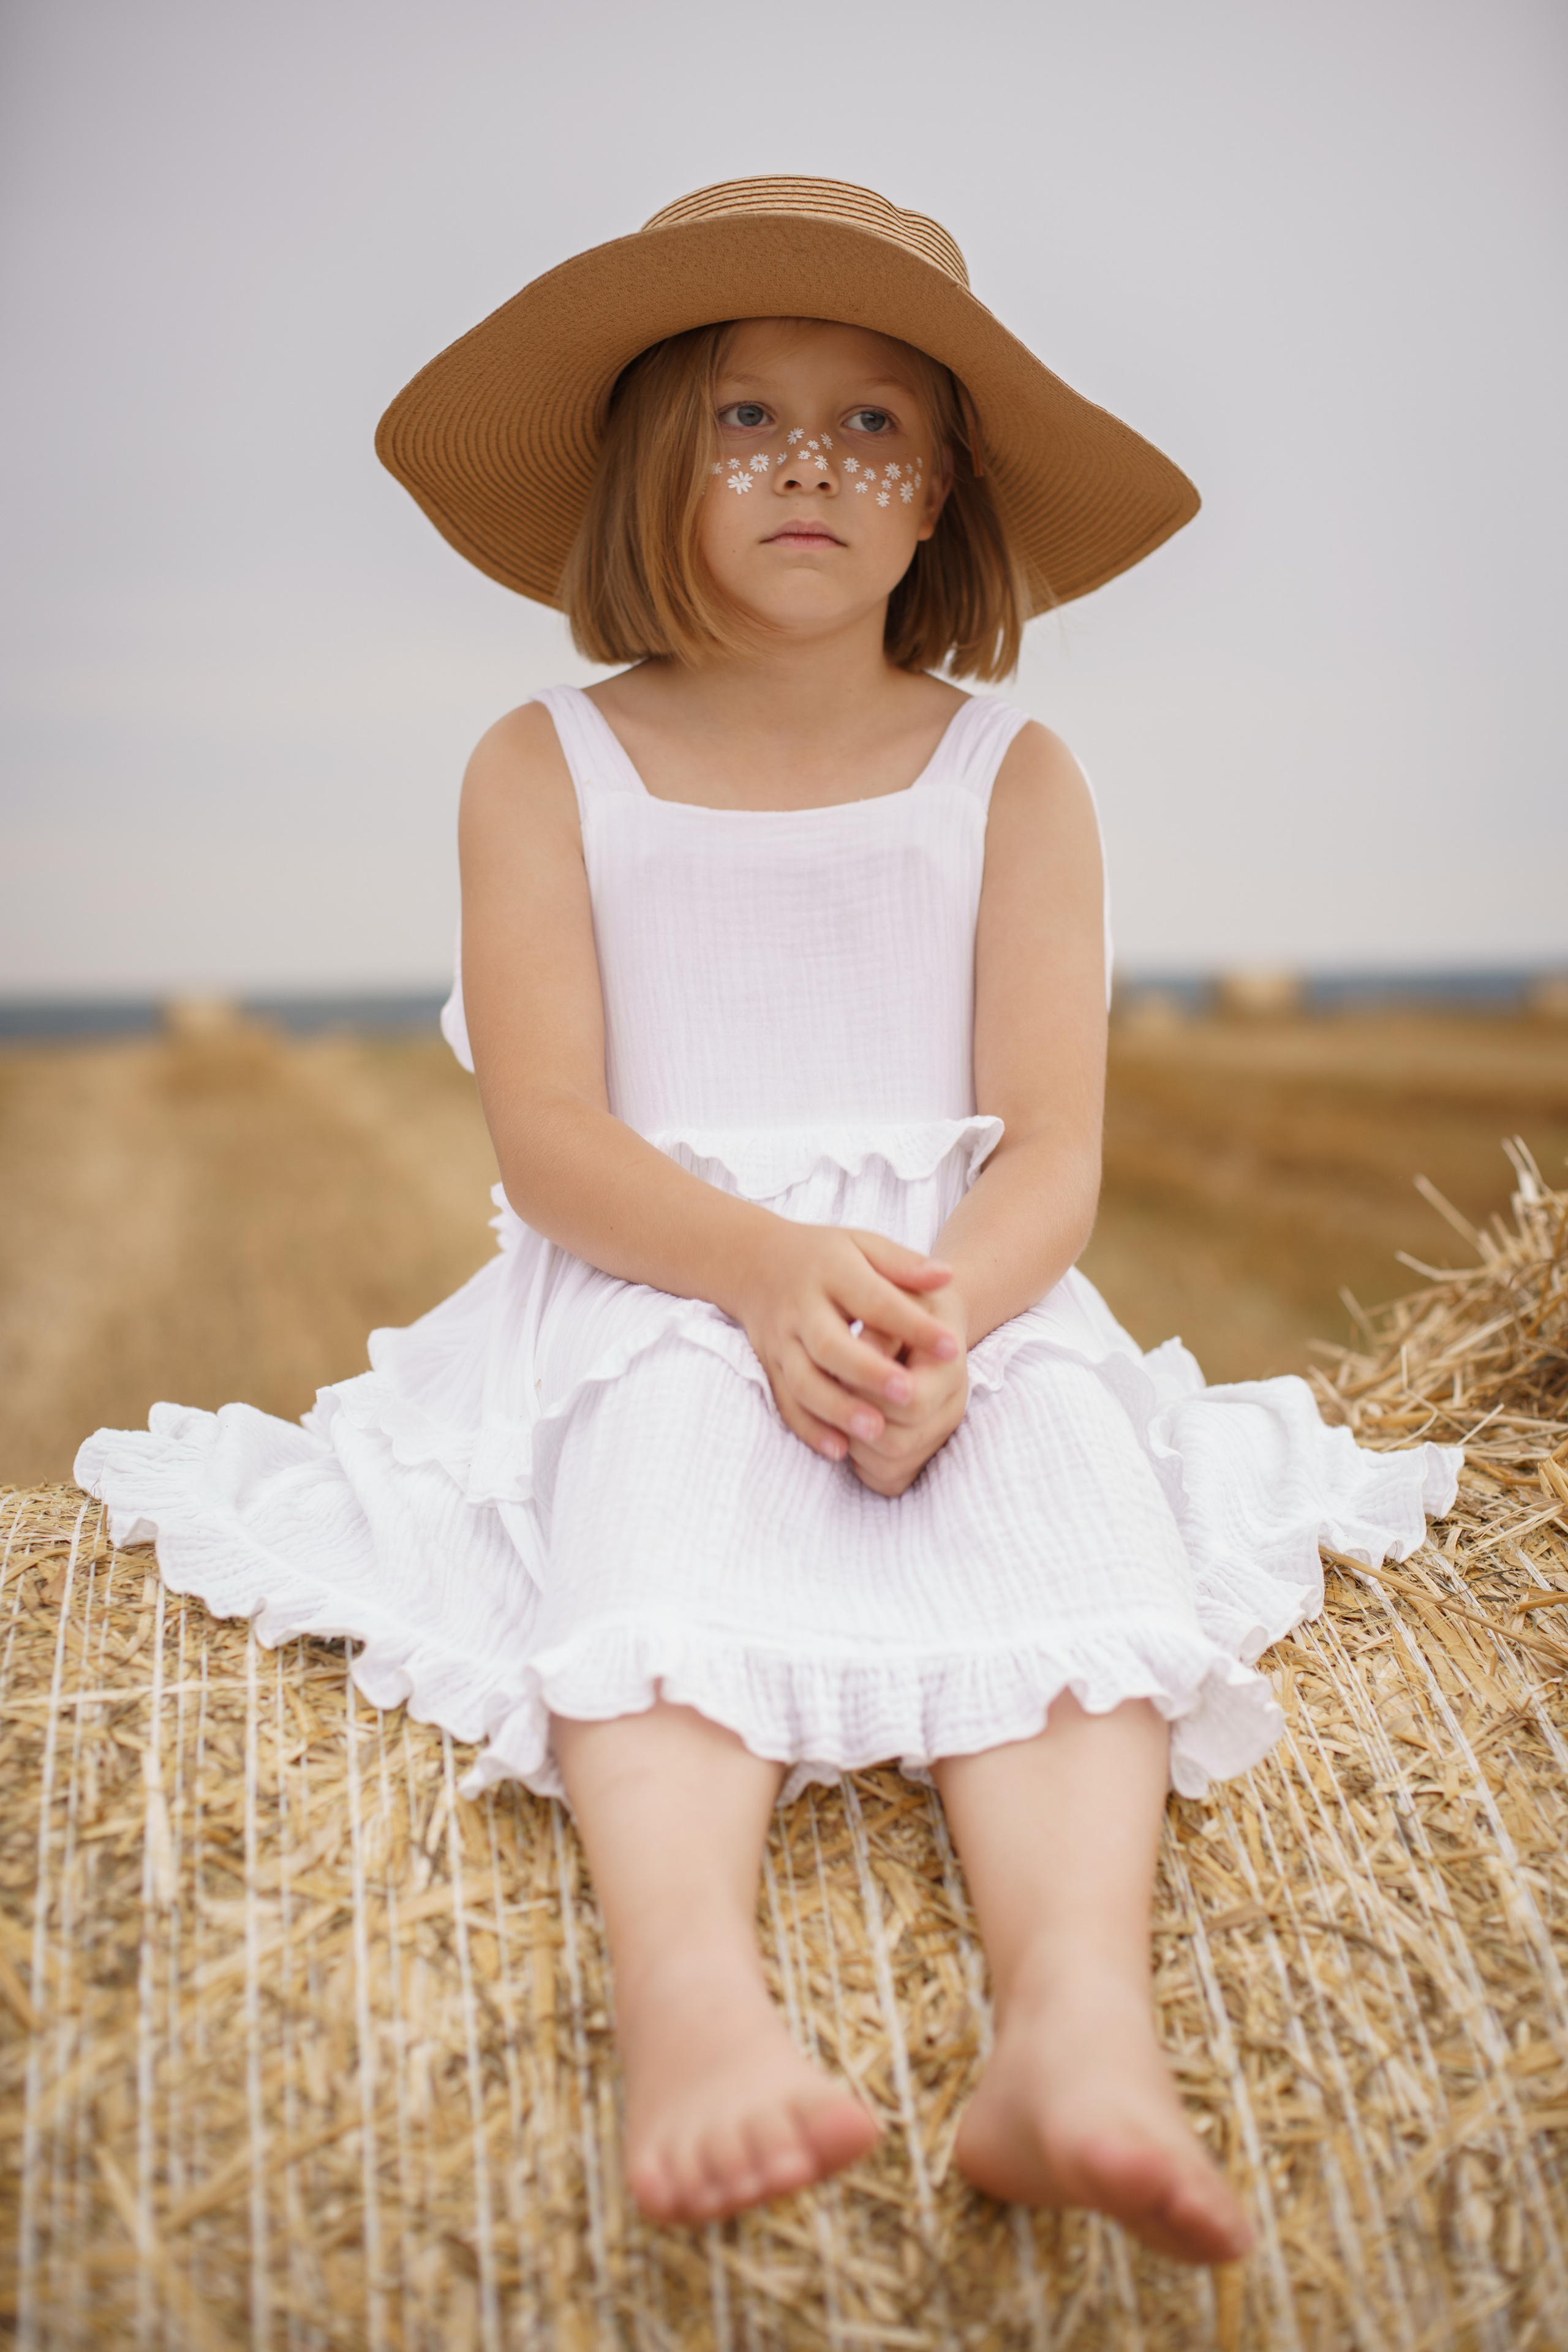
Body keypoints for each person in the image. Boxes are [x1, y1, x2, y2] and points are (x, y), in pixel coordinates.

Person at [78, 178, 1461, 2266]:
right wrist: (755, 1275)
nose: (812, 464)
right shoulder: (550, 762)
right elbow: (549, 1134)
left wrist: (943, 1329)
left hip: (957, 1298)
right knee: (652, 1495)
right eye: (746, 418)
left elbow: (1055, 1156)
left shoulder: (1015, 771)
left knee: (1076, 1517)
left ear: (942, 498)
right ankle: (695, 2007)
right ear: (654, 460)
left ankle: (1074, 2032)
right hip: (655, 1274)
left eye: (876, 424)